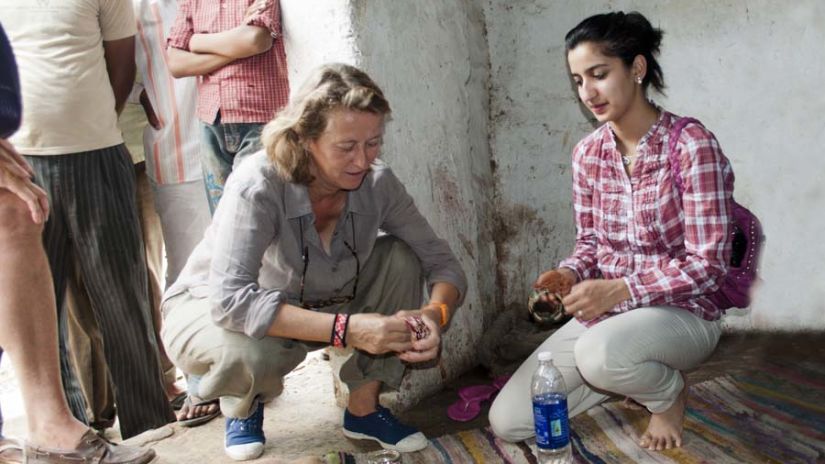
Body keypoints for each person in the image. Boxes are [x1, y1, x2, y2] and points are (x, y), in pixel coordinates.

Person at [161, 63, 467, 461]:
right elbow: (231, 300)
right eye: (346, 147)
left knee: (401, 256)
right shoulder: (258, 184)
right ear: (305, 138)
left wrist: (434, 314)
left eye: (373, 143)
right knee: (253, 351)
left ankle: (363, 410)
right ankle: (242, 399)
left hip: (318, 301)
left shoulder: (377, 183)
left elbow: (443, 264)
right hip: (212, 308)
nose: (362, 160)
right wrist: (348, 329)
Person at [489, 11, 735, 452]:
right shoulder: (588, 154)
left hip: (686, 313)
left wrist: (620, 290)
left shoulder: (691, 146)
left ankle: (666, 393)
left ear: (637, 69)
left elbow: (708, 267)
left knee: (598, 353)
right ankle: (621, 375)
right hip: (611, 322)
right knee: (510, 421)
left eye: (599, 75)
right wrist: (567, 274)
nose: (588, 92)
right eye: (578, 80)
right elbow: (590, 245)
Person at [0, 0, 175, 438]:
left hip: (96, 152)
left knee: (122, 291)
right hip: (21, 165)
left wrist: (91, 125)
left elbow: (121, 64)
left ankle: (147, 420)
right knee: (41, 304)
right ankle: (67, 426)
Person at [133, 0, 218, 426]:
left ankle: (241, 376)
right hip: (177, 151)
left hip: (232, 136)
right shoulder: (130, 5)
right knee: (187, 270)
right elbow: (122, 74)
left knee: (245, 262)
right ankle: (199, 379)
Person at [166, 0, 290, 213]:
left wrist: (196, 41)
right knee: (223, 222)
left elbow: (255, 41)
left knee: (258, 216)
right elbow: (176, 63)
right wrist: (235, 44)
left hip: (261, 119)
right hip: (212, 120)